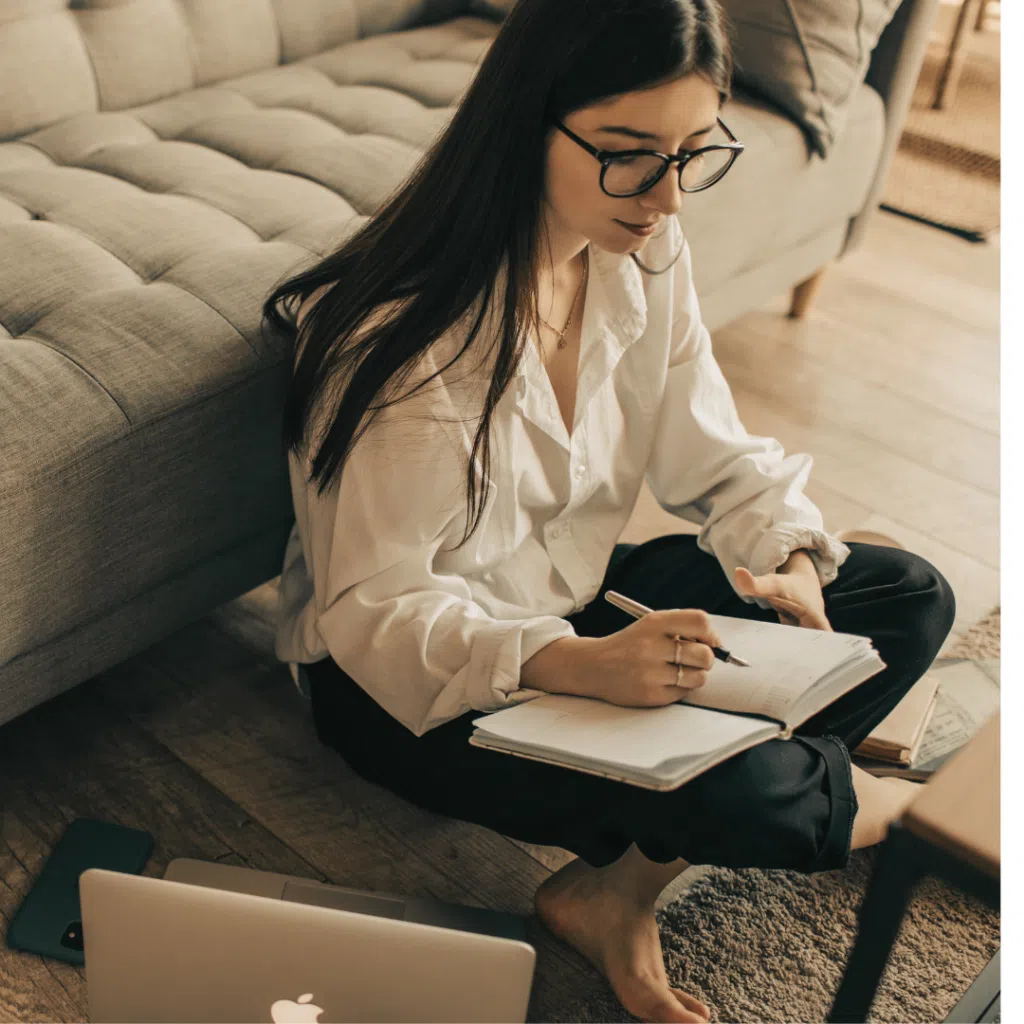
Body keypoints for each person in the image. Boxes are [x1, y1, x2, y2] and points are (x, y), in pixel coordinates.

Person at [261, 1, 957, 1020]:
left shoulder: (638, 251)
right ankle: (895, 806)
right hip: (414, 688)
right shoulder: (404, 345)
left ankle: (615, 889)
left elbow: (712, 452)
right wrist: (576, 666)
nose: (667, 198)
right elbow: (375, 612)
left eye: (691, 152)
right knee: (752, 795)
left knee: (901, 593)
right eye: (630, 155)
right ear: (526, 122)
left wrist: (787, 560)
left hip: (578, 604)